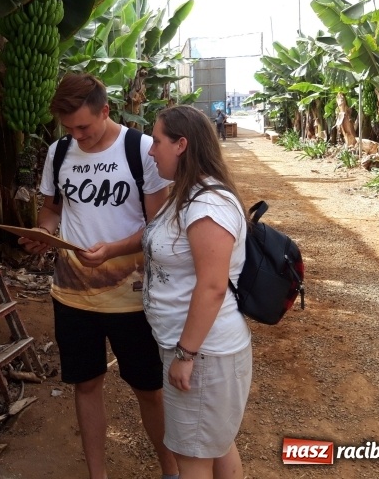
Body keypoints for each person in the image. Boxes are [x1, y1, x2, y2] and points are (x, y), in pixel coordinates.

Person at [19, 73, 179, 479]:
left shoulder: (141, 150)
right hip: (72, 294)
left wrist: (112, 250)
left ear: (105, 111)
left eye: (84, 127)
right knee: (86, 384)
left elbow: (156, 228)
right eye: (69, 128)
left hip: (132, 296)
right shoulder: (58, 153)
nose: (77, 135)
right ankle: (97, 475)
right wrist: (46, 234)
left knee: (149, 389)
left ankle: (172, 470)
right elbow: (53, 210)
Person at [142, 104, 252, 479]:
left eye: (157, 141)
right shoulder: (186, 195)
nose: (151, 150)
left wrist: (186, 354)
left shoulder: (207, 204)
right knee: (216, 448)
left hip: (203, 354)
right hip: (199, 352)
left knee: (193, 459)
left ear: (181, 144)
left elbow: (212, 286)